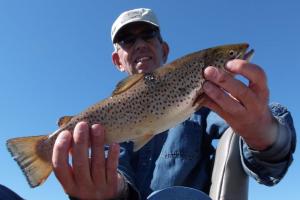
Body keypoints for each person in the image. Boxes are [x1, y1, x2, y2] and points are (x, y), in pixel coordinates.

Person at [51, 8, 296, 200]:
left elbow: (264, 162)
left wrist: (268, 136)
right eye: (127, 40)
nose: (139, 44)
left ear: (164, 50)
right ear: (117, 60)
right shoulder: (107, 119)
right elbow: (116, 174)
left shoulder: (206, 104)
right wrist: (111, 191)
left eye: (148, 35)